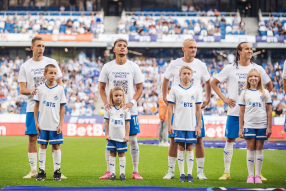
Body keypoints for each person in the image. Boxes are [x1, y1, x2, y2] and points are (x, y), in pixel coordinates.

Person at [210, 42, 273, 181]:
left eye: (251, 49)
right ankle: (226, 172)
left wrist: (261, 98)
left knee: (256, 144)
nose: (250, 51)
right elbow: (213, 83)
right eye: (247, 49)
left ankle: (257, 173)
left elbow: (270, 85)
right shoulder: (229, 68)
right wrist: (224, 99)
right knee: (230, 139)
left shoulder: (258, 68)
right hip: (234, 111)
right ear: (239, 51)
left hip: (254, 114)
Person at [162, 38, 211, 180]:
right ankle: (171, 171)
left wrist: (207, 98)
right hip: (178, 108)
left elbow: (208, 82)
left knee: (199, 139)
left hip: (194, 107)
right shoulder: (175, 64)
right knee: (173, 140)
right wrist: (164, 96)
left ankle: (200, 171)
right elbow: (165, 79)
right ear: (183, 49)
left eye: (195, 47)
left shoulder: (200, 65)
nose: (193, 50)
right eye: (190, 47)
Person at [18, 36, 66, 179]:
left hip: (50, 109)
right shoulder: (25, 66)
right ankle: (34, 170)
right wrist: (32, 91)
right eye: (38, 46)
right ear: (32, 48)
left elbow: (60, 84)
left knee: (55, 141)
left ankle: (57, 171)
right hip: (33, 106)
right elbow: (22, 89)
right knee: (33, 138)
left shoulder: (51, 62)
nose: (41, 48)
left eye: (43, 46)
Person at [99, 38, 144, 180]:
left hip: (130, 110)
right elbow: (101, 88)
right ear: (114, 49)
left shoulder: (133, 67)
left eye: (125, 46)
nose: (123, 48)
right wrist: (106, 103)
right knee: (110, 140)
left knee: (133, 140)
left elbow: (140, 88)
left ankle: (135, 171)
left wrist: (131, 102)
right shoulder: (107, 67)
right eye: (120, 46)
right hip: (113, 111)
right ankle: (108, 171)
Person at [167, 66, 202, 182]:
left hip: (191, 125)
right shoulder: (175, 89)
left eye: (188, 73)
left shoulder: (196, 90)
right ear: (179, 75)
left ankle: (190, 174)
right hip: (179, 124)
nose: (186, 75)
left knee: (190, 147)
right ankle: (182, 174)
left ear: (191, 76)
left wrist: (198, 126)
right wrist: (169, 124)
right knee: (181, 147)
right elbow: (170, 108)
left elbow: (198, 109)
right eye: (184, 73)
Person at [238, 68, 272, 183]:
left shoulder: (265, 92)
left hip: (262, 125)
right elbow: (241, 112)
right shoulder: (244, 92)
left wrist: (269, 127)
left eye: (256, 76)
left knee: (259, 149)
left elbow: (268, 111)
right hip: (249, 124)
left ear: (259, 79)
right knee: (250, 149)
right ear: (248, 79)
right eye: (251, 76)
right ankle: (250, 175)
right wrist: (240, 128)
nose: (253, 78)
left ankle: (257, 175)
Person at [34, 64, 66, 181]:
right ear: (45, 74)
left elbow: (62, 107)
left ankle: (57, 171)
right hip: (43, 124)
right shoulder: (40, 88)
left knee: (56, 146)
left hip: (55, 124)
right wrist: (36, 122)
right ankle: (41, 171)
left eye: (55, 73)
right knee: (42, 146)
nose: (53, 75)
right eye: (50, 73)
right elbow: (36, 106)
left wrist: (61, 124)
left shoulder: (60, 89)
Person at [104, 86, 130, 181]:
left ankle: (122, 173)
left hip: (122, 137)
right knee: (112, 153)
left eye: (120, 95)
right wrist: (106, 134)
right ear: (112, 97)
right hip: (112, 137)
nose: (118, 97)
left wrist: (127, 135)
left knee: (122, 154)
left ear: (123, 97)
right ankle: (112, 173)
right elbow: (106, 122)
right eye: (116, 95)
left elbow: (127, 123)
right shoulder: (109, 109)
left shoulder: (126, 109)